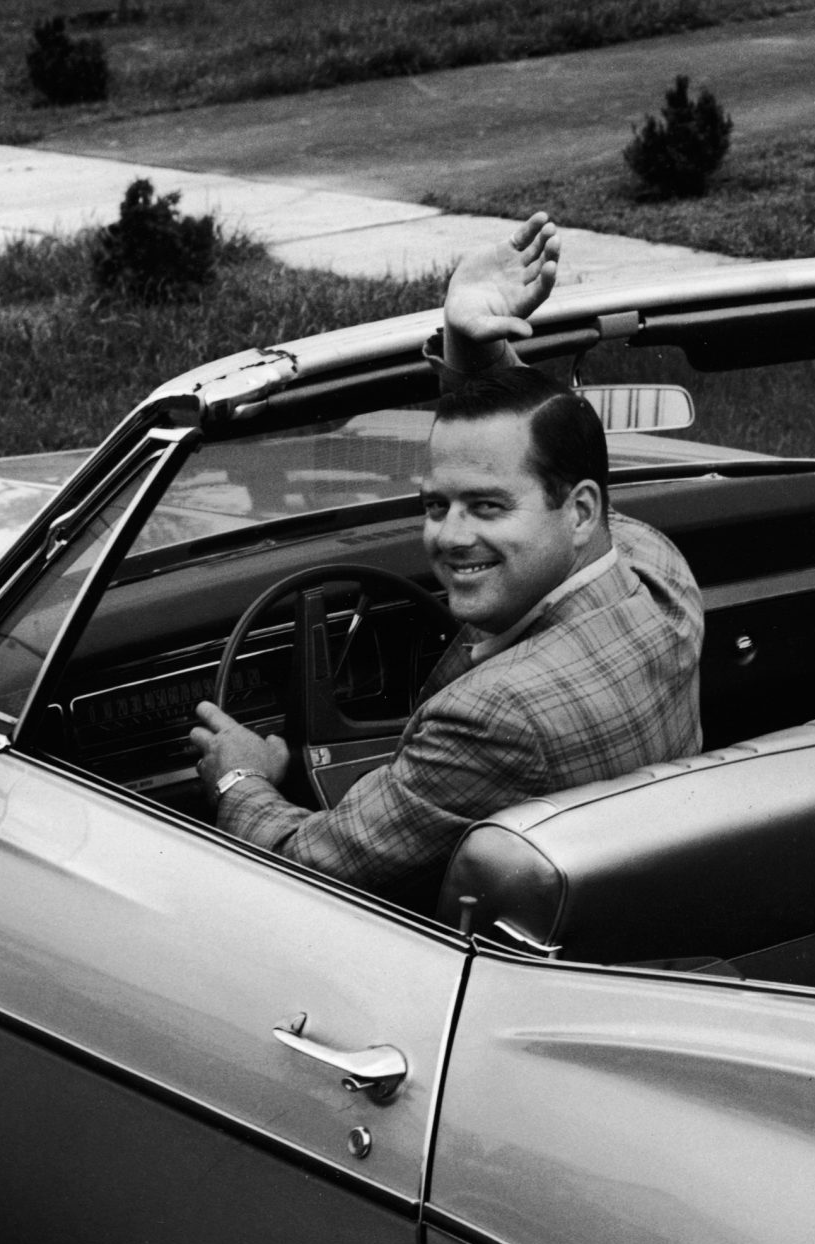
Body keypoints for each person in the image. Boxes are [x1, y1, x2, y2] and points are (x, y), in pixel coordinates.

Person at [189, 219, 703, 896]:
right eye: (437, 505)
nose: (450, 538)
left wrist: (240, 775)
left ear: (578, 511)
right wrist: (472, 348)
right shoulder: (658, 572)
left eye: (487, 507)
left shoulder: (493, 719)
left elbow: (306, 865)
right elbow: (560, 460)